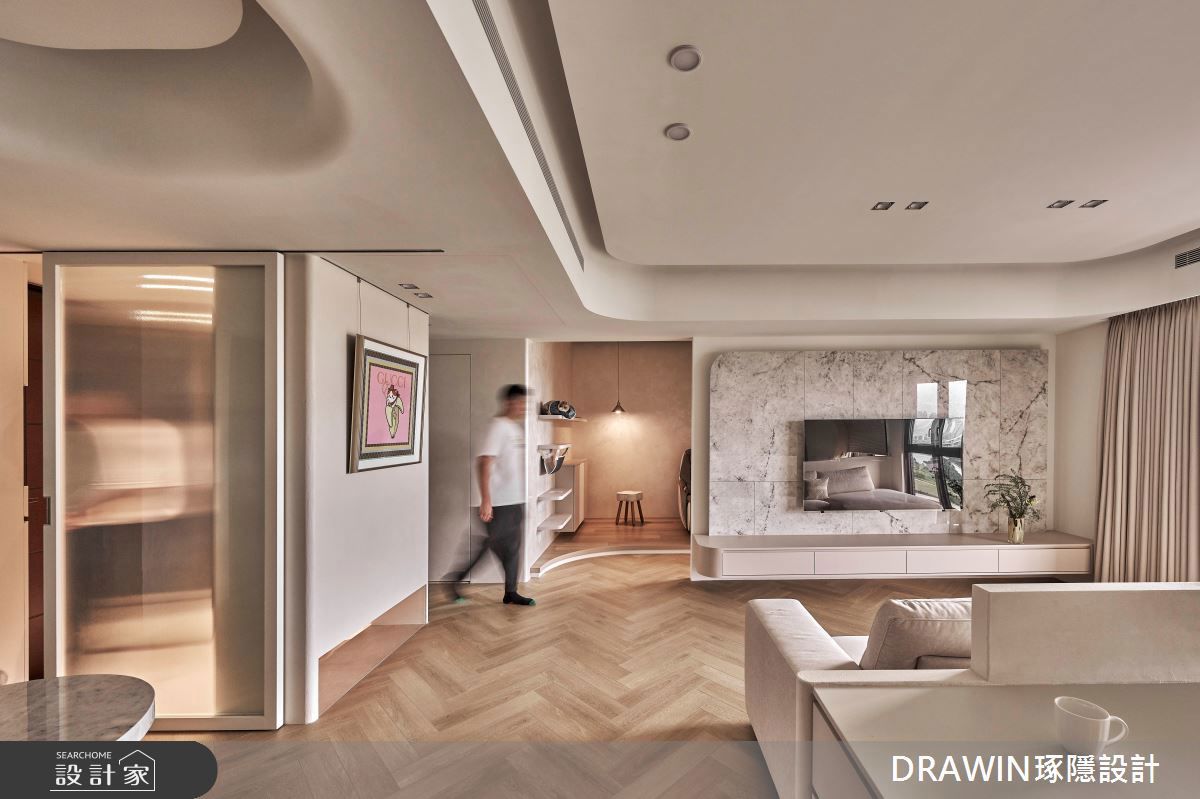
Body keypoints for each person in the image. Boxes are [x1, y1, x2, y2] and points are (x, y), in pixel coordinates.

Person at [452, 384, 536, 606]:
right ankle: (456, 580)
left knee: (513, 548)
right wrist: (486, 500)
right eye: (520, 403)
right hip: (498, 502)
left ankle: (511, 593)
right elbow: (485, 461)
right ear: (509, 402)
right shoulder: (497, 427)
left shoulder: (514, 429)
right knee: (491, 545)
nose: (523, 408)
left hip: (514, 499)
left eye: (525, 404)